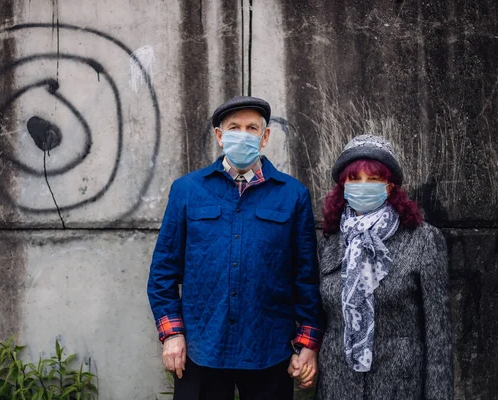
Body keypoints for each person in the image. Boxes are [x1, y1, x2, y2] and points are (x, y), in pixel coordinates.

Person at [147, 96, 324, 400]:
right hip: (202, 348)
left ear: (265, 137)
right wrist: (172, 334)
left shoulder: (293, 195)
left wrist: (307, 343)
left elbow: (305, 277)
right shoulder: (188, 190)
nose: (243, 134)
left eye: (252, 128)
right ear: (219, 136)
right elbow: (163, 272)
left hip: (269, 349)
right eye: (234, 128)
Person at [315, 135, 453, 399]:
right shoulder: (330, 243)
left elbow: (438, 336)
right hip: (338, 385)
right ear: (343, 186)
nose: (363, 186)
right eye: (354, 179)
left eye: (374, 179)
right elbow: (322, 318)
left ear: (389, 187)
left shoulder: (423, 239)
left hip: (399, 384)